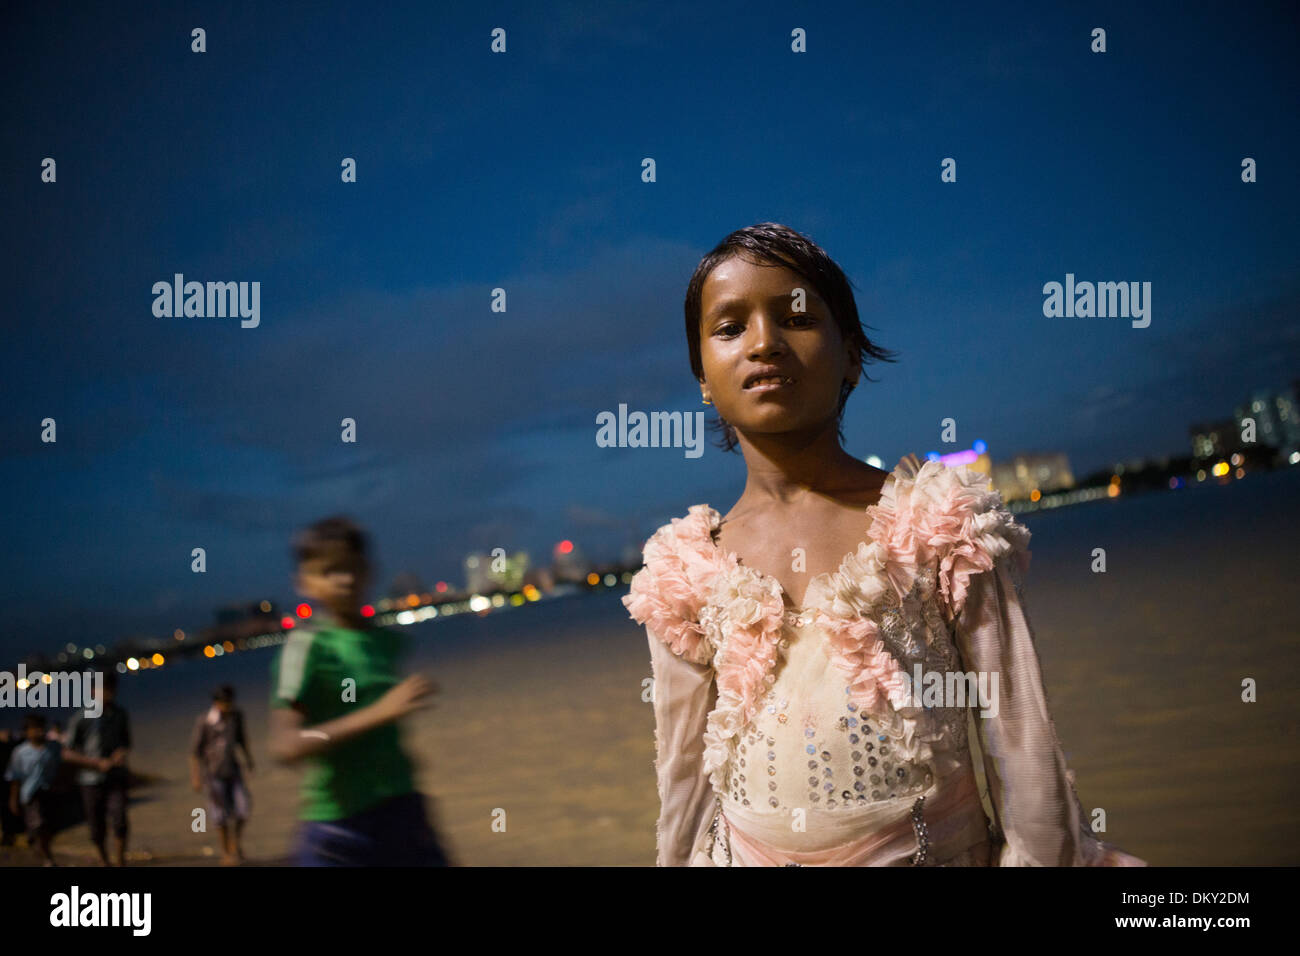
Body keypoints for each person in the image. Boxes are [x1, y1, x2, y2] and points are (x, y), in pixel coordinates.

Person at [623, 222, 1147, 867]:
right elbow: (683, 778)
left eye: (796, 319)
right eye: (729, 328)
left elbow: (1021, 741)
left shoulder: (937, 526)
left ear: (850, 355)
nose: (764, 343)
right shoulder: (686, 568)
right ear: (702, 375)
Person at [268, 516, 453, 866]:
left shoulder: (383, 641)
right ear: (303, 582)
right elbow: (285, 745)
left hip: (403, 811)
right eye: (329, 571)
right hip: (340, 829)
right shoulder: (306, 647)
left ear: (369, 570)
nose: (345, 579)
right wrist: (379, 713)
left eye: (353, 567)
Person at [63, 670, 131, 866]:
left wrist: (120, 754)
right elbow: (67, 752)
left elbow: (126, 742)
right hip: (89, 780)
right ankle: (103, 860)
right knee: (96, 826)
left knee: (120, 819)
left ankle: (120, 861)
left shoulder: (120, 714)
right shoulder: (81, 718)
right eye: (103, 689)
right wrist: (95, 763)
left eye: (111, 688)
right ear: (92, 691)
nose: (108, 693)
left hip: (116, 776)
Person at [190, 685, 254, 865]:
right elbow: (195, 752)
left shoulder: (237, 716)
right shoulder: (205, 721)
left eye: (230, 702)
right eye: (225, 702)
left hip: (233, 770)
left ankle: (235, 845)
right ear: (217, 703)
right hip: (213, 774)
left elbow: (242, 740)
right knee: (220, 816)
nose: (228, 705)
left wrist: (249, 760)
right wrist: (195, 777)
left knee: (244, 808)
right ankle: (226, 852)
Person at [4, 714, 62, 865]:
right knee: (38, 825)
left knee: (48, 827)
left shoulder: (53, 747)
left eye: (40, 728)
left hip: (49, 793)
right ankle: (46, 857)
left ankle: (43, 851)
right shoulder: (20, 752)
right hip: (30, 795)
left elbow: (60, 767)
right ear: (27, 731)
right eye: (34, 728)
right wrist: (13, 799)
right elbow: (15, 777)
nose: (38, 732)